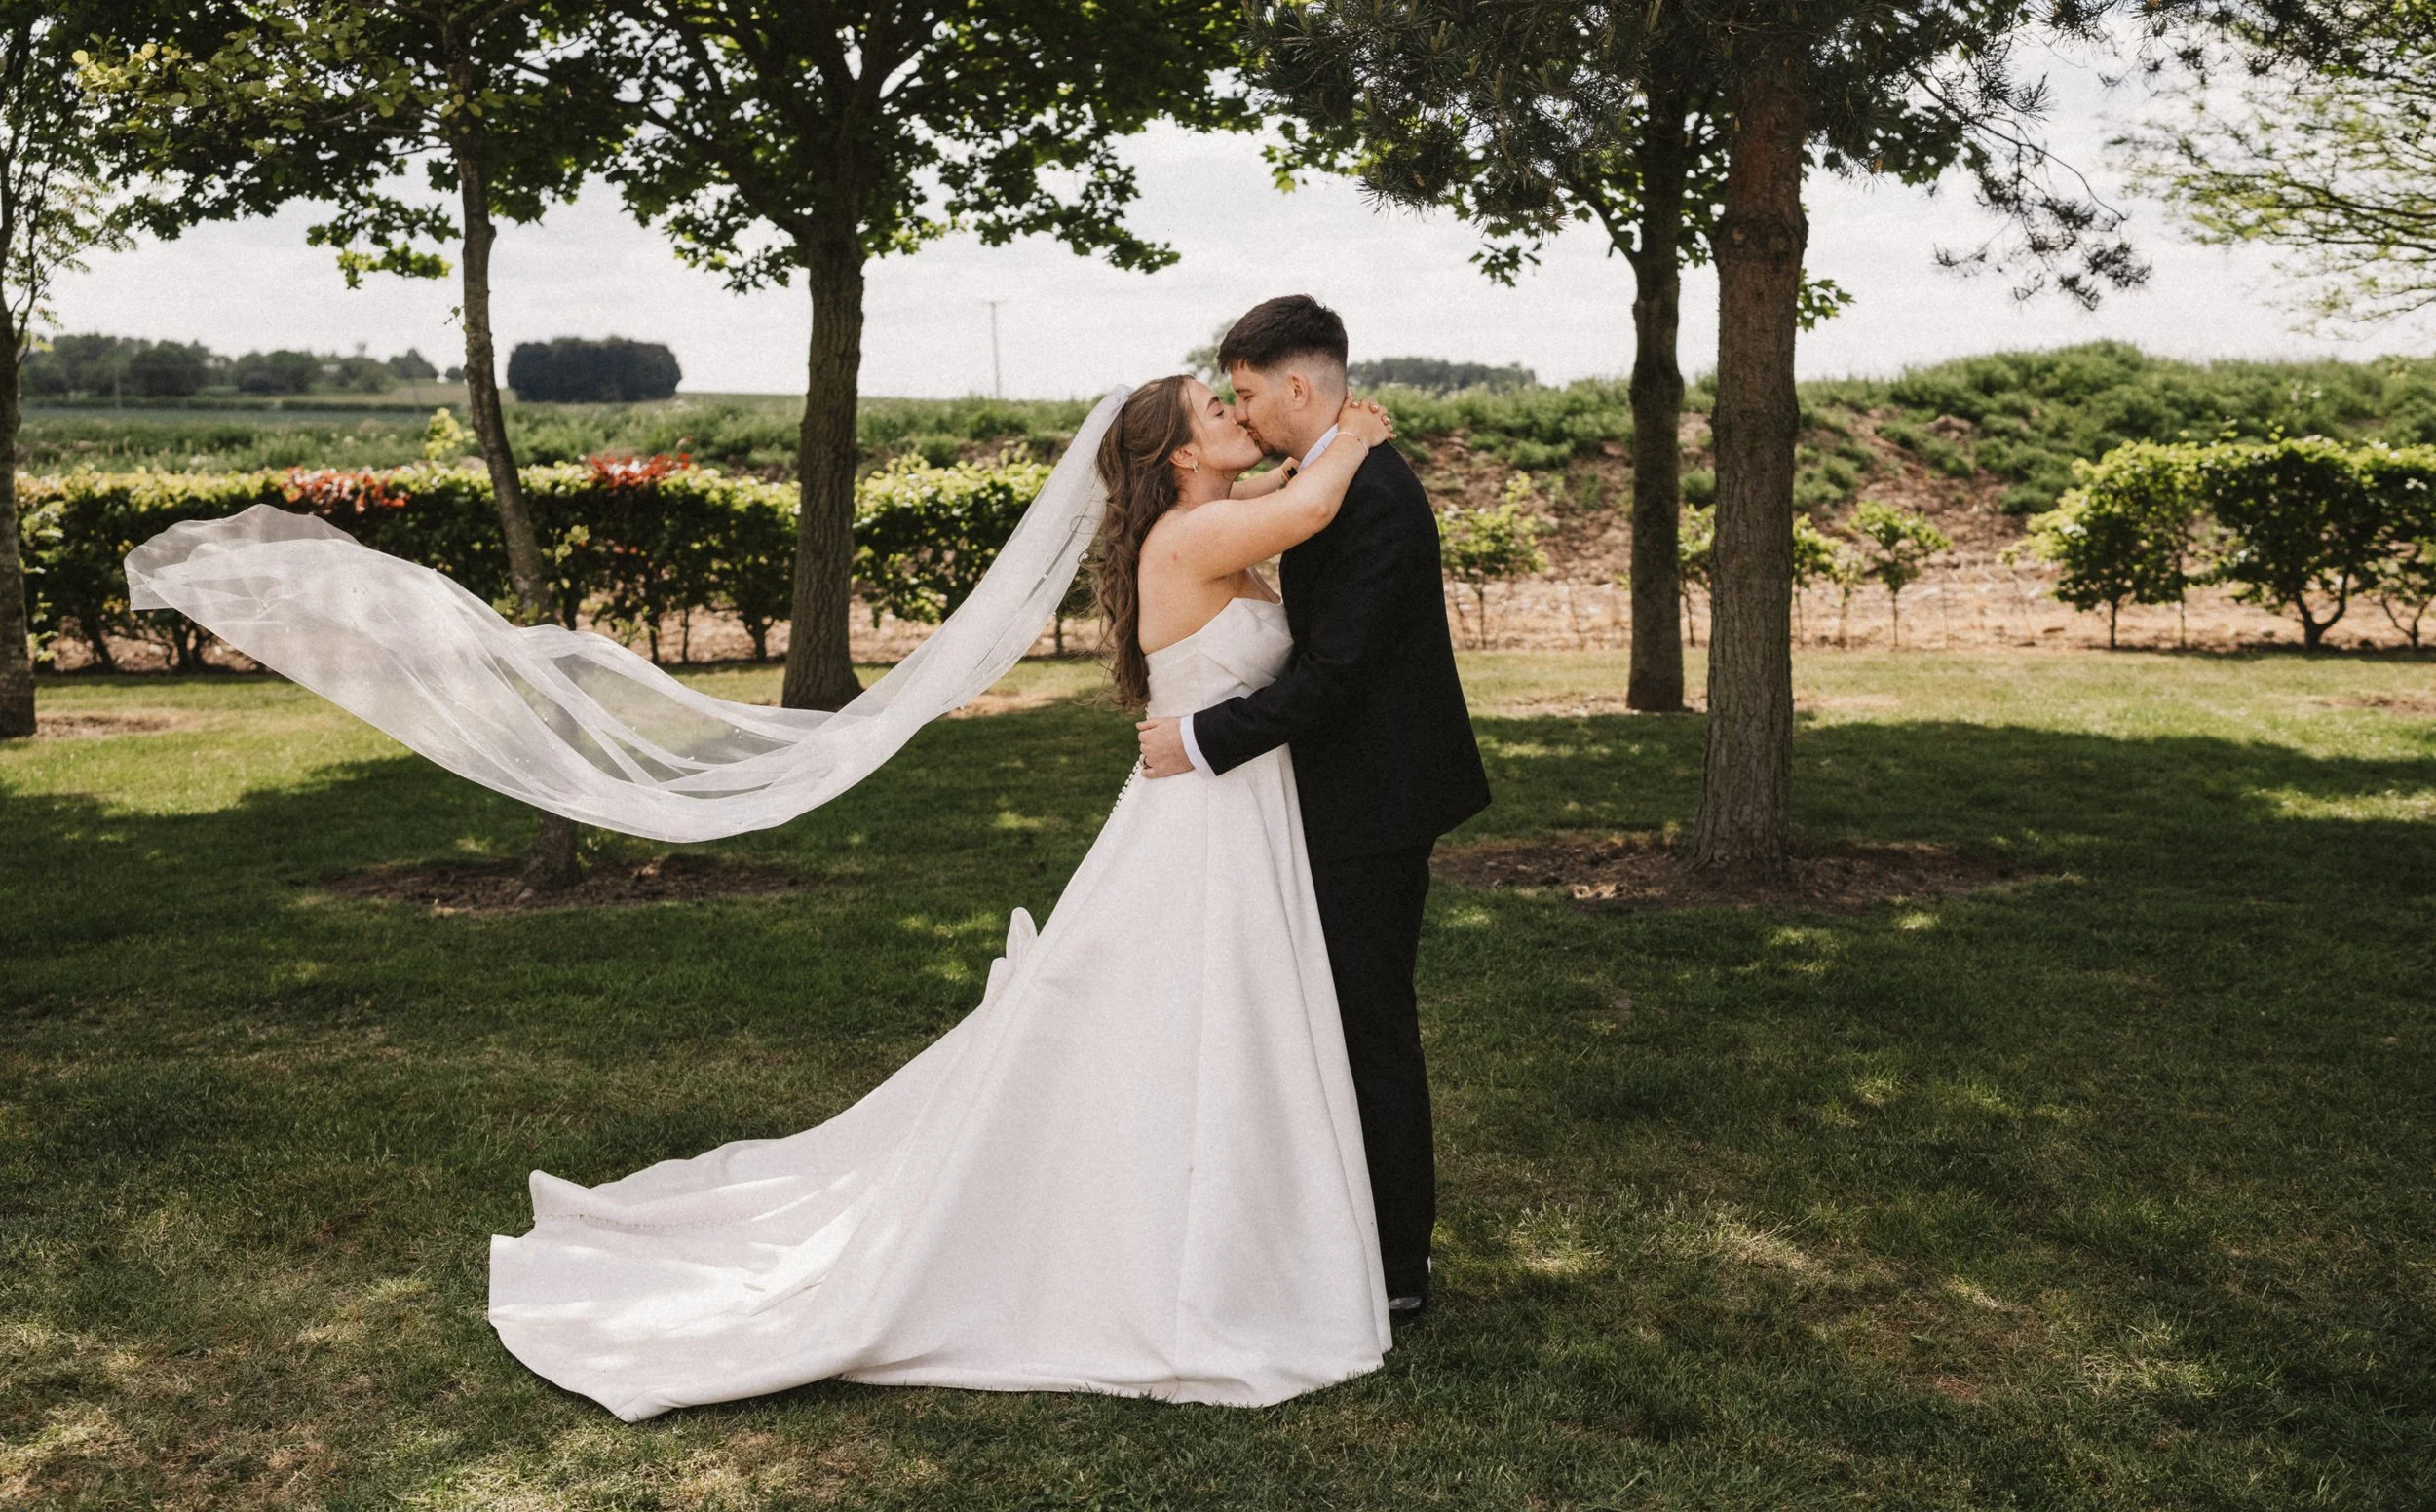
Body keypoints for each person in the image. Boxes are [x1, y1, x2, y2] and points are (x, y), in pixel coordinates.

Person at [481, 379, 1413, 1418]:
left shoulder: (1209, 527)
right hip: (1202, 822)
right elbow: (1313, 507)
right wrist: (1354, 434)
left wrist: (1299, 457)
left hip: (1229, 811)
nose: (1237, 414)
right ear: (1176, 457)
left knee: (1209, 1023)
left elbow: (1288, 504)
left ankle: (1246, 1228)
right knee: (1174, 1021)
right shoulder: (1190, 542)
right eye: (1215, 408)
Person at [1136, 295, 1490, 1319]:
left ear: (1299, 386)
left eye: (1244, 395)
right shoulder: (1336, 478)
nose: (1240, 417)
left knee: (1366, 1027)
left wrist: (1200, 740)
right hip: (1309, 801)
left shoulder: (1367, 491)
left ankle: (1393, 1270)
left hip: (1369, 801)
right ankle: (1314, 1234)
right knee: (1306, 1025)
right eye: (1221, 406)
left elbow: (1333, 672)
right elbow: (1298, 532)